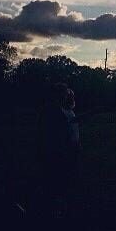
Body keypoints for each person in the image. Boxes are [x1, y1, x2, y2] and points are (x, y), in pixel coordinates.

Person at [39, 83, 82, 217]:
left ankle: (63, 204)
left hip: (71, 148)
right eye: (64, 93)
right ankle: (56, 207)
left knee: (68, 178)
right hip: (61, 150)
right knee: (59, 178)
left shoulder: (67, 110)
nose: (66, 95)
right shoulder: (54, 111)